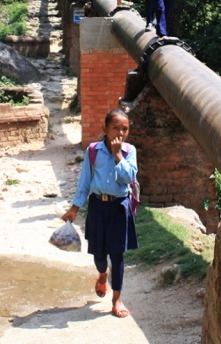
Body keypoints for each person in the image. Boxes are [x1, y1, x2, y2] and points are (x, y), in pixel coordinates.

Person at [61, 109, 138, 318]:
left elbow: (128, 177)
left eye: (125, 129)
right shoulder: (93, 150)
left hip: (119, 207)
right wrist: (74, 208)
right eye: (116, 128)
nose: (120, 133)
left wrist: (118, 155)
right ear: (104, 129)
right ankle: (103, 274)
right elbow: (84, 182)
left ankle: (117, 299)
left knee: (117, 254)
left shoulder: (129, 151)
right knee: (99, 255)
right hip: (97, 206)